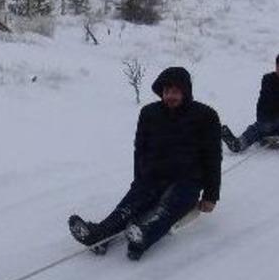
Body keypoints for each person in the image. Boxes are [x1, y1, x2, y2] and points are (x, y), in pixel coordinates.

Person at [68, 66, 221, 260]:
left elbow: (213, 156)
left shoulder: (205, 116)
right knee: (129, 207)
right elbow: (140, 149)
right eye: (166, 91)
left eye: (175, 91)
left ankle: (142, 237)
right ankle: (98, 236)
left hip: (188, 179)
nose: (169, 96)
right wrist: (138, 179)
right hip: (154, 175)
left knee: (165, 210)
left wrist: (211, 195)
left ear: (185, 91)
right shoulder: (150, 113)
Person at [220, 51, 279, 155]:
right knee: (256, 129)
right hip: (272, 119)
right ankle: (238, 144)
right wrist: (262, 121)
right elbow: (262, 103)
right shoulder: (269, 79)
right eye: (278, 65)